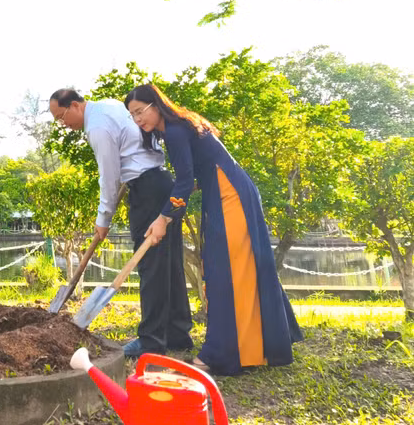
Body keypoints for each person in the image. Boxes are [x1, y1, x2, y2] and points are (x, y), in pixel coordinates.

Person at [124, 83, 303, 375]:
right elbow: (193, 177)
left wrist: (162, 219)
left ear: (156, 105)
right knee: (240, 266)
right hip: (226, 192)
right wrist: (171, 205)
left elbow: (184, 182)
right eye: (132, 115)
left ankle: (220, 353)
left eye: (140, 111)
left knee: (227, 271)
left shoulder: (176, 131)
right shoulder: (177, 127)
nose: (137, 119)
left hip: (228, 195)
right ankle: (265, 343)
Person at [49, 89, 193, 357]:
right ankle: (177, 333)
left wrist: (103, 219)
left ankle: (151, 340)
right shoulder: (111, 106)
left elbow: (109, 175)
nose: (63, 124)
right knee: (169, 263)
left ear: (76, 105)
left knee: (151, 266)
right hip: (162, 183)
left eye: (62, 116)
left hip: (147, 190)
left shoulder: (97, 126)